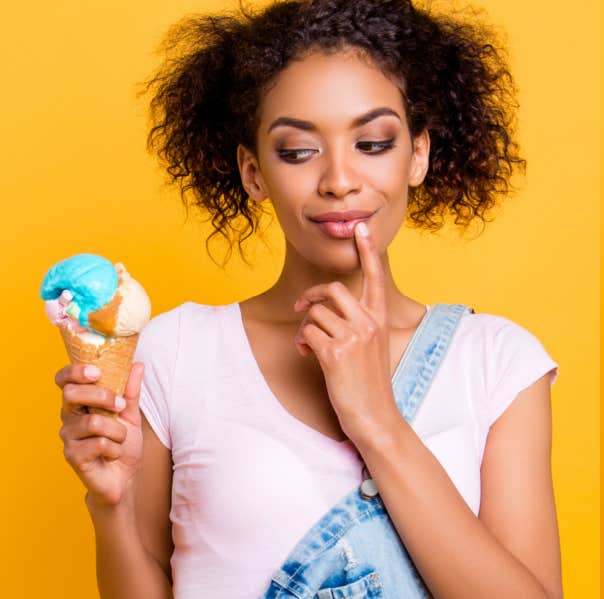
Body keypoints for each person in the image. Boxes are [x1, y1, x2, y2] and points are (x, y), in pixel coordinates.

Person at [51, 0, 561, 597]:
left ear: (417, 155)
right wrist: (107, 505)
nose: (340, 180)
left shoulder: (497, 363)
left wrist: (376, 419)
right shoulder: (176, 351)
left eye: (372, 143)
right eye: (298, 151)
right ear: (253, 172)